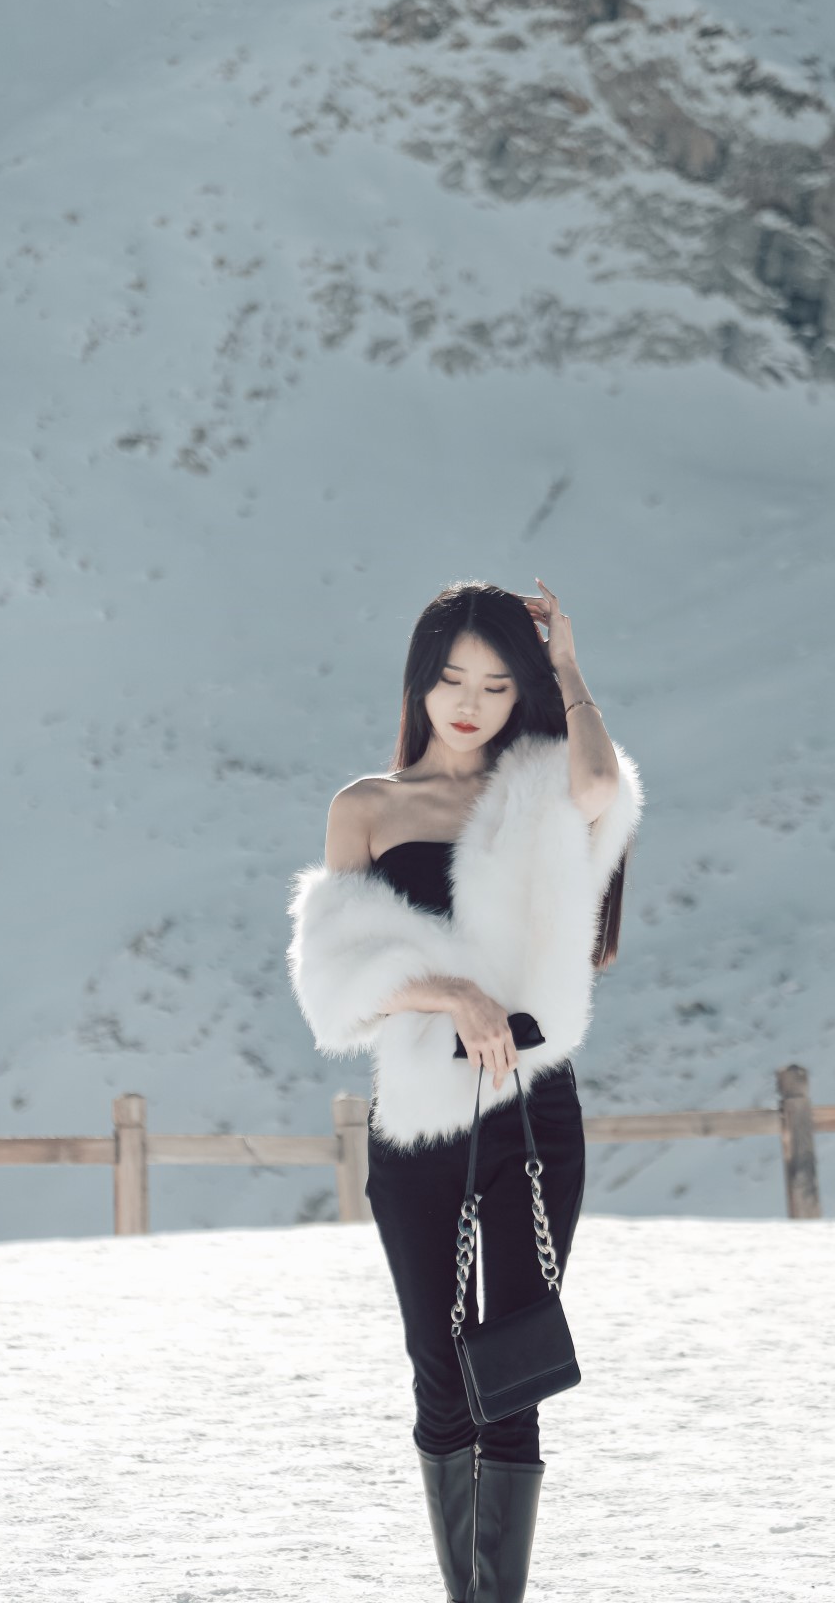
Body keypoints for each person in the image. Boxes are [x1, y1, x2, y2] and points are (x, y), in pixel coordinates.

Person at [286, 578, 643, 1602]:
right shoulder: (365, 808)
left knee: (512, 1372)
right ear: (420, 684)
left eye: (497, 683)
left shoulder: (538, 787)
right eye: (452, 680)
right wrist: (451, 991)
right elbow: (333, 976)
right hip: (417, 1119)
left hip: (531, 1110)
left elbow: (600, 785)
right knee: (440, 1372)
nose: (471, 702)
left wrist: (567, 667)